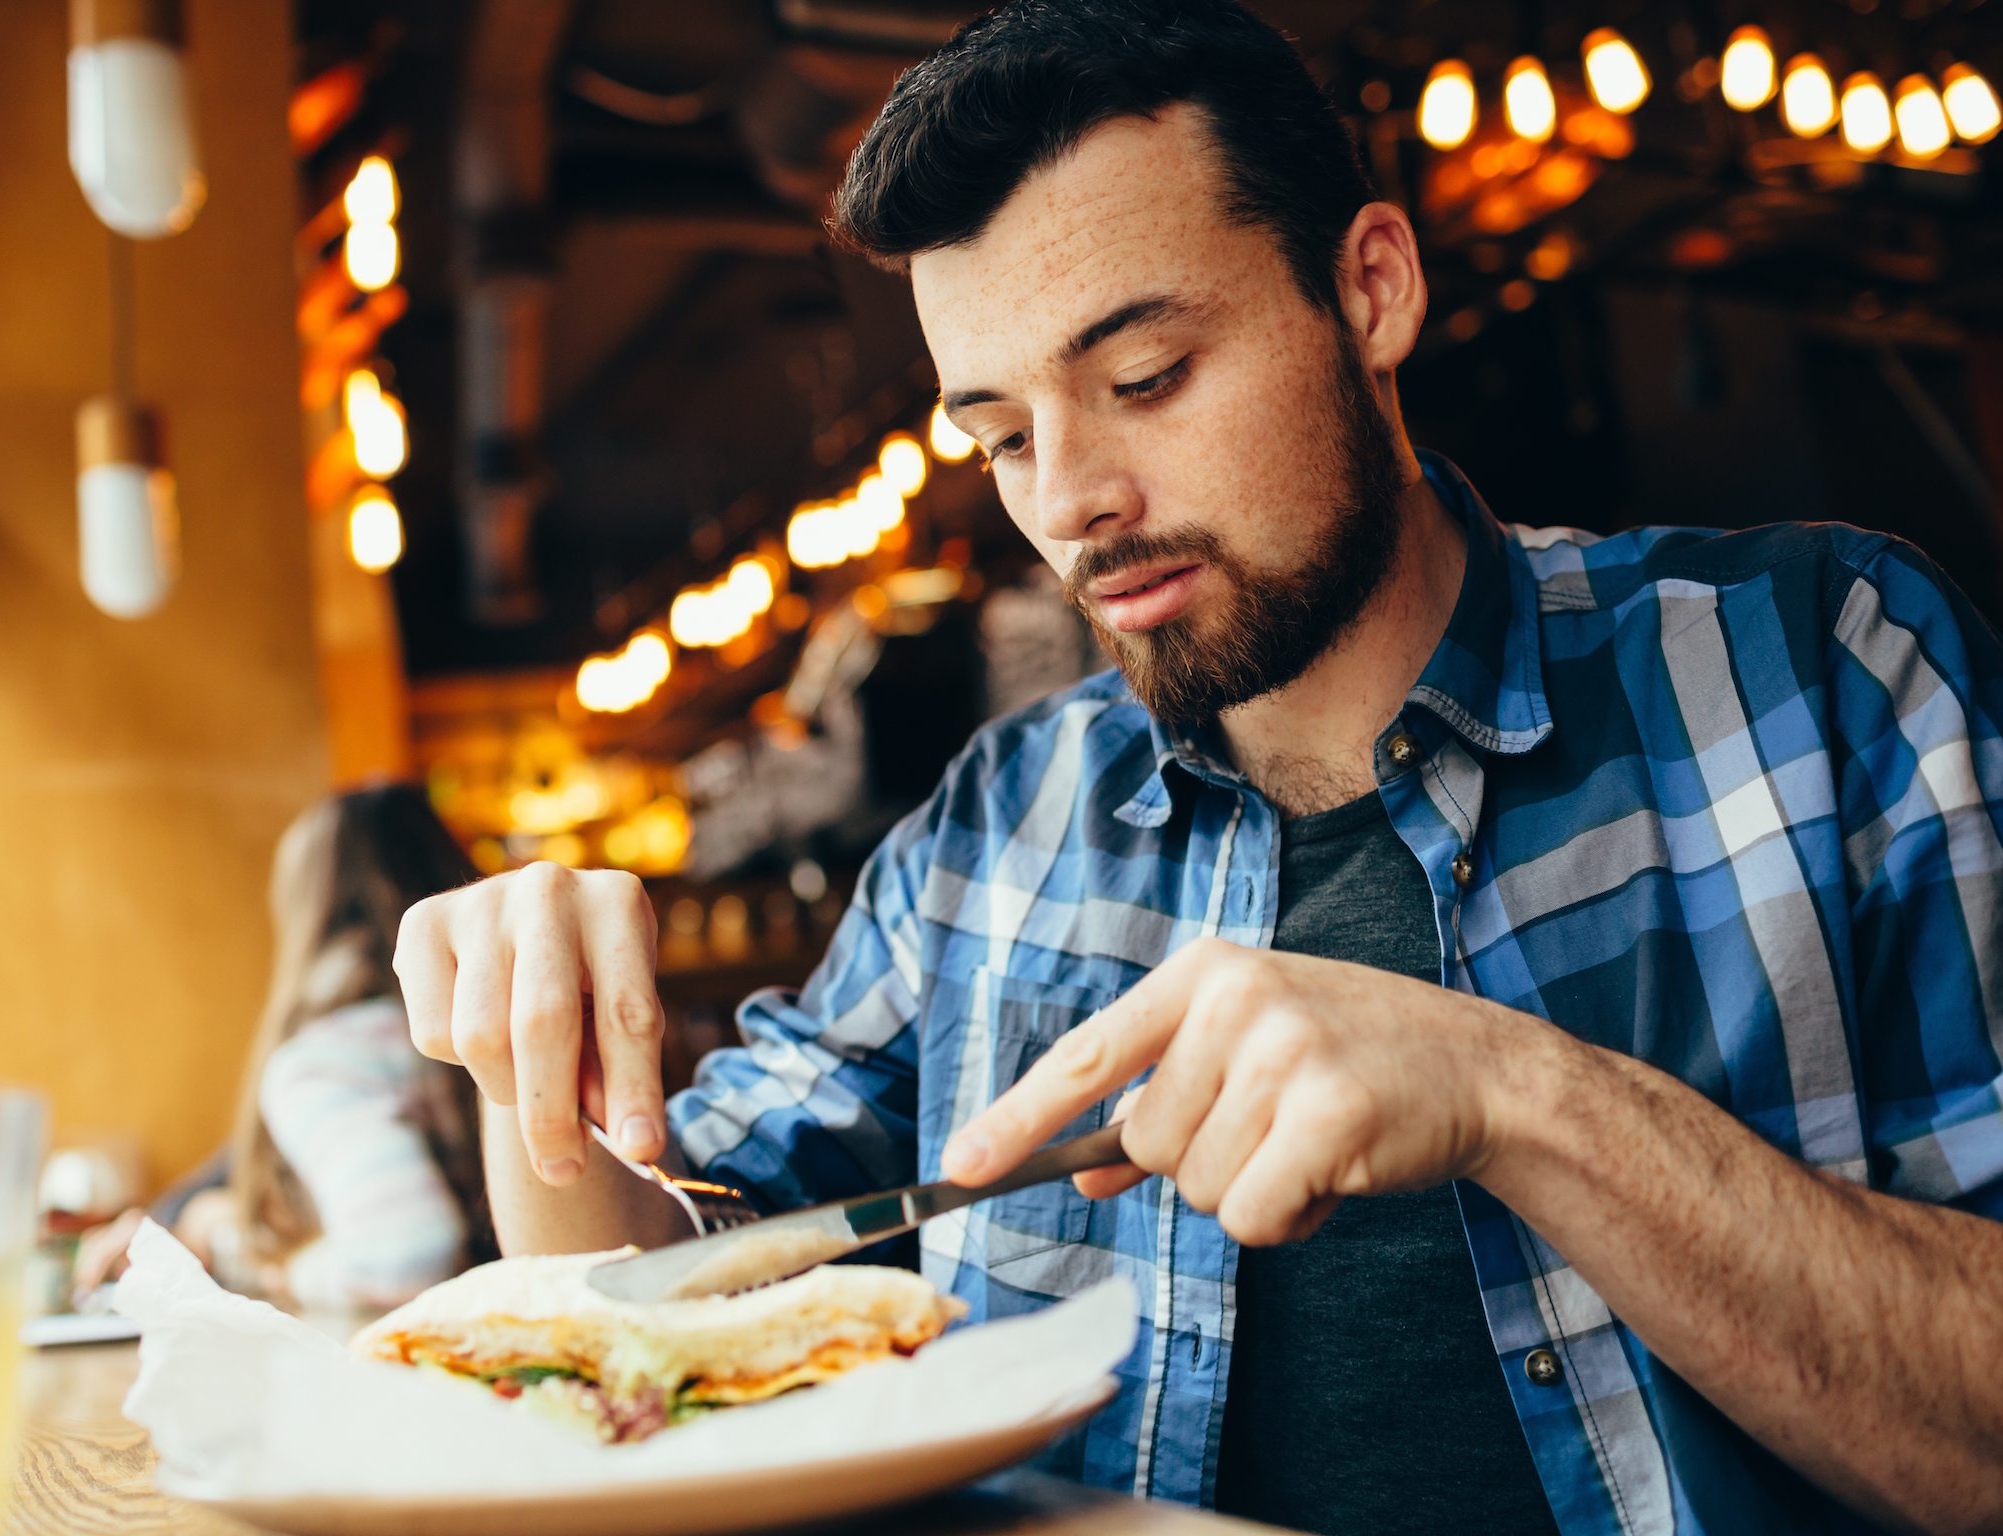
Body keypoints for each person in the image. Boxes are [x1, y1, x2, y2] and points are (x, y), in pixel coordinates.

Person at [391, 3, 2003, 1531]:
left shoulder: (1823, 668)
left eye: (1144, 378)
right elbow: (652, 1301)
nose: (1070, 499)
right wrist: (534, 1069)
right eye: (1003, 438)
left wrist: (1523, 1097)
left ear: (1371, 289)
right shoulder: (992, 836)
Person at [76, 785, 495, 1310]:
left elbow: (409, 1262)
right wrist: (196, 1217)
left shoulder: (326, 1059)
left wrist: (267, 1264)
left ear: (303, 913)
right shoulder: (474, 1028)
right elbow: (237, 1163)